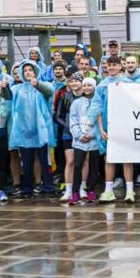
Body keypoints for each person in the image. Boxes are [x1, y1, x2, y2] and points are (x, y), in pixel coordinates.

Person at [9, 60, 56, 198]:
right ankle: (27, 189)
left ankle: (48, 187)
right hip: (23, 131)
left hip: (41, 130)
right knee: (27, 162)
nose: (27, 72)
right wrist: (4, 87)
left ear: (36, 71)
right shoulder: (17, 88)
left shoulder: (44, 84)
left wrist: (38, 84)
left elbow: (49, 92)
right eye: (25, 70)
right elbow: (7, 96)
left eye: (30, 70)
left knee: (44, 160)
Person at [68, 77, 101, 205]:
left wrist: (92, 134)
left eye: (90, 85)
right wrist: (79, 134)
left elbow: (100, 121)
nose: (87, 88)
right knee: (77, 165)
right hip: (79, 141)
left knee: (93, 166)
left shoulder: (98, 102)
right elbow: (73, 120)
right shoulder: (76, 103)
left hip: (94, 141)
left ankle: (91, 190)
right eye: (85, 85)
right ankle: (75, 192)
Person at [54, 74, 84, 203]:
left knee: (84, 161)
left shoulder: (86, 96)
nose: (74, 83)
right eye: (72, 81)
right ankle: (68, 189)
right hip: (68, 132)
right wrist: (69, 126)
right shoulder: (64, 97)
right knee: (70, 161)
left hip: (84, 132)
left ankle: (82, 188)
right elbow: (57, 116)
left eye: (77, 81)